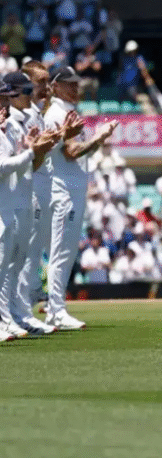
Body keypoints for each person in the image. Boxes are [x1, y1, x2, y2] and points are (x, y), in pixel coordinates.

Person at [44, 66, 117, 330]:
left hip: (73, 188)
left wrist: (98, 139)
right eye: (69, 84)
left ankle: (56, 308)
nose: (75, 88)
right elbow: (71, 152)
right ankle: (55, 311)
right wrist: (99, 138)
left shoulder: (67, 112)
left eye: (76, 83)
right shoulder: (56, 113)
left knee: (66, 251)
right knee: (61, 252)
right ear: (56, 86)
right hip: (63, 189)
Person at [0, 72, 58, 336]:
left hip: (22, 199)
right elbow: (5, 165)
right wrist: (32, 150)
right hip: (8, 202)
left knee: (17, 261)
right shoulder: (8, 122)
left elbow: (29, 165)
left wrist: (36, 149)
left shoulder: (16, 123)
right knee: (6, 263)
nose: (27, 96)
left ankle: (17, 314)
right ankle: (5, 318)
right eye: (21, 92)